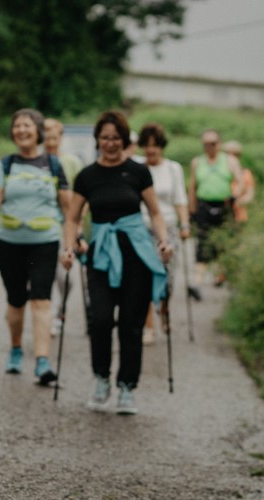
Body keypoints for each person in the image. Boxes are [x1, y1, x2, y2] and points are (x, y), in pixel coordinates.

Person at [60, 110, 173, 415]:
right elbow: (73, 218)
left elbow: (157, 212)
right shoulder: (86, 176)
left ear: (124, 140)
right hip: (101, 256)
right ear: (97, 139)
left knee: (131, 325)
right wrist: (69, 248)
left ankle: (126, 387)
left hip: (136, 252)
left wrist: (164, 240)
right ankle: (101, 380)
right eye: (105, 138)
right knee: (100, 320)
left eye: (115, 138)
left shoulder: (137, 172)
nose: (110, 143)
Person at [0, 109, 69, 385]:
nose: (21, 130)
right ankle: (16, 348)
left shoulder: (53, 164)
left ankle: (42, 361)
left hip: (45, 242)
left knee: (41, 299)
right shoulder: (5, 165)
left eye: (27, 126)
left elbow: (67, 207)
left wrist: (73, 240)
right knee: (16, 301)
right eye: (17, 126)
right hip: (9, 244)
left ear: (38, 131)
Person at [137, 122, 190, 343]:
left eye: (155, 145)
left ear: (162, 147)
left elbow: (180, 200)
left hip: (167, 228)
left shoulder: (173, 168)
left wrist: (185, 225)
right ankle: (148, 326)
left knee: (168, 279)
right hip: (142, 227)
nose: (151, 150)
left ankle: (164, 310)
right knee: (145, 278)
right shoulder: (137, 166)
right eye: (147, 145)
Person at [187, 129, 243, 293]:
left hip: (224, 206)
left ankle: (222, 276)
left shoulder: (230, 161)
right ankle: (197, 282)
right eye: (205, 144)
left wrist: (235, 195)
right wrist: (191, 210)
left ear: (219, 144)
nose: (209, 147)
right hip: (204, 206)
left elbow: (240, 182)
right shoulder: (197, 162)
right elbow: (192, 186)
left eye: (212, 144)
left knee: (224, 242)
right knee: (203, 243)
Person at [44, 118, 85, 336]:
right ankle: (49, 317)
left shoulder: (72, 163)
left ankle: (60, 311)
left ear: (60, 138)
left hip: (66, 226)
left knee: (65, 278)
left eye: (54, 137)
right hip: (45, 226)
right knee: (47, 276)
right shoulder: (37, 161)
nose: (50, 142)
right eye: (47, 137)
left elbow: (83, 196)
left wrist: (79, 224)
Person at [222, 140, 255, 225]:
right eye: (228, 154)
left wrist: (236, 202)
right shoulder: (219, 174)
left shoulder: (246, 174)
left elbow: (250, 195)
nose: (231, 158)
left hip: (239, 215)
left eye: (234, 154)